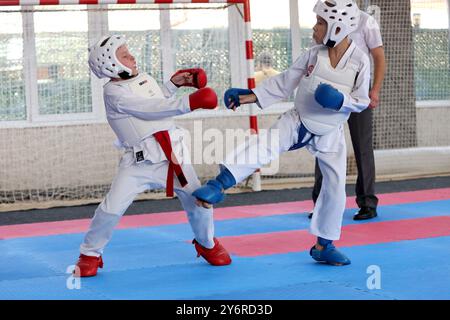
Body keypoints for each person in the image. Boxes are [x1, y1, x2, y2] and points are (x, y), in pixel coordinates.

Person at [192, 0, 371, 266]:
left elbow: (362, 99)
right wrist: (248, 97)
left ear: (337, 27)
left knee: (335, 187)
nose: (315, 27)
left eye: (321, 23)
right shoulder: (313, 54)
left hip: (330, 130)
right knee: (266, 144)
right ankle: (219, 184)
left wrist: (340, 101)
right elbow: (285, 81)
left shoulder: (360, 60)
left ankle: (325, 244)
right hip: (298, 120)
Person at [74, 35, 231, 277]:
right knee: (111, 208)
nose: (132, 57)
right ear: (110, 64)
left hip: (173, 158)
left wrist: (174, 85)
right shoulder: (113, 92)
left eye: (129, 52)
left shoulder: (144, 78)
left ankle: (206, 243)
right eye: (125, 55)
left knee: (200, 202)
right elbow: (149, 110)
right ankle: (89, 253)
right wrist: (190, 102)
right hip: (138, 163)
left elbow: (157, 99)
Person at [309, 3, 386, 221]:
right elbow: (319, 52)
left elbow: (379, 57)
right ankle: (321, 204)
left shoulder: (365, 21)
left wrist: (375, 90)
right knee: (323, 144)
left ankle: (367, 203)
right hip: (330, 86)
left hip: (358, 87)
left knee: (362, 146)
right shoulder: (324, 18)